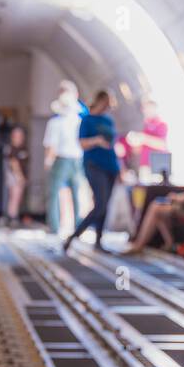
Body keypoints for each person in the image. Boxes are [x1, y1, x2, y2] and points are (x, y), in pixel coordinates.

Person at [64, 91, 120, 255]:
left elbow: (112, 146)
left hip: (111, 165)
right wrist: (97, 141)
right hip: (94, 164)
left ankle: (99, 241)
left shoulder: (108, 120)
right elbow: (81, 143)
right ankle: (74, 236)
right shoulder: (87, 120)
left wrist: (120, 169)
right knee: (100, 204)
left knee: (105, 206)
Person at [43, 95, 84, 235]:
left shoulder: (56, 123)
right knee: (76, 193)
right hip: (77, 160)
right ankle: (78, 225)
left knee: (54, 193)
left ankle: (54, 226)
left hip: (61, 160)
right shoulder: (79, 122)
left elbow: (52, 144)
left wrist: (48, 161)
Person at [126, 98, 169, 172]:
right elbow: (137, 150)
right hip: (145, 165)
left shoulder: (161, 124)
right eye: (144, 108)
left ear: (155, 109)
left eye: (149, 108)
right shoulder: (144, 126)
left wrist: (143, 138)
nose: (146, 111)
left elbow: (162, 144)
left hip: (159, 163)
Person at [3, 126, 29, 225]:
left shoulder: (22, 147)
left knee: (18, 196)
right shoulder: (12, 148)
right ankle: (12, 217)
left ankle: (14, 215)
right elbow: (14, 163)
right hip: (14, 175)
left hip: (21, 175)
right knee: (15, 196)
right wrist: (19, 176)